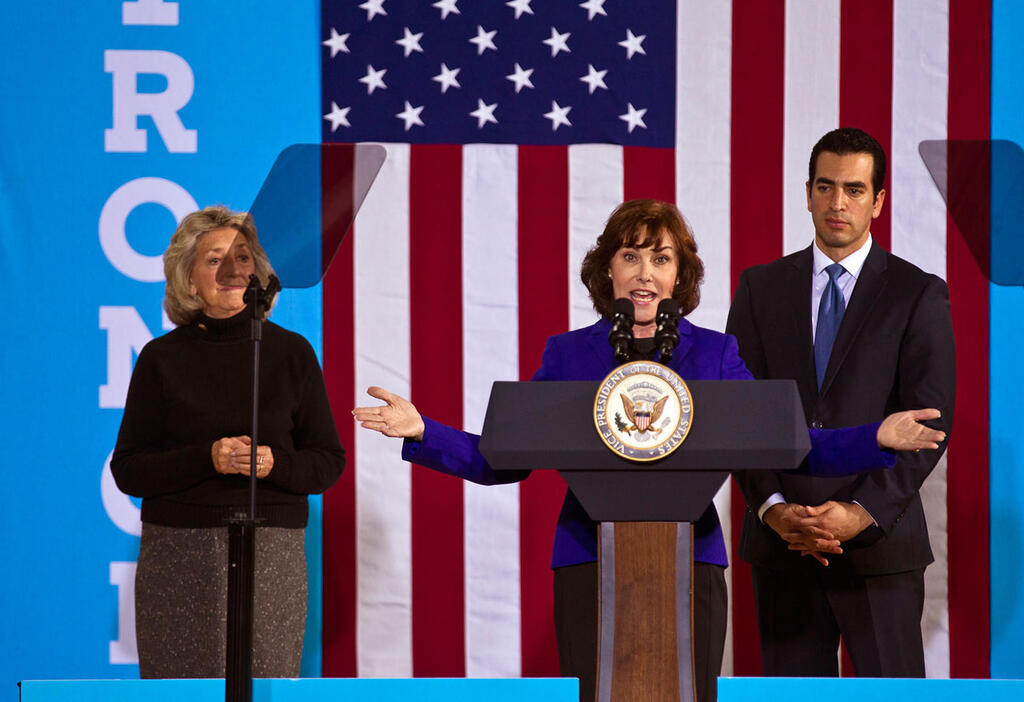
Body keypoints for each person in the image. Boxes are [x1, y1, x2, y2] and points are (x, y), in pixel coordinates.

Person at [353, 199, 946, 701]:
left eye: (661, 259)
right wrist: (423, 430)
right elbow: (501, 458)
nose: (645, 273)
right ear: (607, 269)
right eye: (630, 256)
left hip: (691, 561)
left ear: (679, 277)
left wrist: (874, 437)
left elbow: (789, 445)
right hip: (588, 560)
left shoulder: (714, 355)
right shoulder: (568, 355)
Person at [726, 127, 956, 676]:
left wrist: (859, 513)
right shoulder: (759, 288)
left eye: (854, 190)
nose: (837, 203)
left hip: (880, 546)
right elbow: (738, 416)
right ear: (807, 193)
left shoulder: (917, 293)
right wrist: (774, 508)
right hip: (784, 544)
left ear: (877, 201)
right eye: (825, 186)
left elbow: (929, 425)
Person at [111, 205, 345, 678]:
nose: (232, 270)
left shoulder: (292, 353)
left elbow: (327, 462)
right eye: (214, 259)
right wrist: (208, 458)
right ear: (190, 280)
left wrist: (273, 464)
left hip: (271, 554)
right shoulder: (160, 358)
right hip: (179, 555)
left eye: (242, 257)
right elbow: (129, 469)